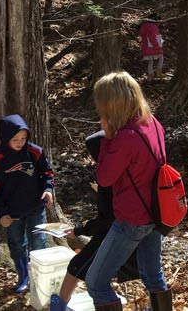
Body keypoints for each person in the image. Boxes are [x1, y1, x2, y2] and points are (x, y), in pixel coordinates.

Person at [85, 72, 172, 311]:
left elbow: (104, 178)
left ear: (111, 105)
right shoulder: (153, 123)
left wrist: (107, 139)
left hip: (132, 219)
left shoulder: (125, 138)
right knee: (152, 274)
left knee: (96, 282)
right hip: (156, 213)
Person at [49, 131, 139, 311]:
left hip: (110, 235)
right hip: (134, 230)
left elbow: (106, 220)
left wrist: (80, 230)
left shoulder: (108, 180)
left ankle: (59, 306)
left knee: (77, 267)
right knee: (146, 270)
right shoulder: (125, 171)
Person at [0, 114, 54, 293]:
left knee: (39, 241)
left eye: (23, 138)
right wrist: (1, 213)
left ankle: (40, 278)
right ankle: (23, 276)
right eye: (15, 139)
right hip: (12, 212)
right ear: (5, 138)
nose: (20, 142)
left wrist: (48, 189)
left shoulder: (35, 152)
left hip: (36, 207)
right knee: (16, 243)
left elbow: (47, 172)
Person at [139, 14, 164, 80]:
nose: (160, 23)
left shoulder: (145, 26)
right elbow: (152, 37)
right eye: (159, 21)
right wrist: (156, 45)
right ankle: (159, 71)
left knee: (150, 60)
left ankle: (150, 75)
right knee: (161, 57)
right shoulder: (153, 27)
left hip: (146, 48)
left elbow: (143, 35)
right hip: (153, 46)